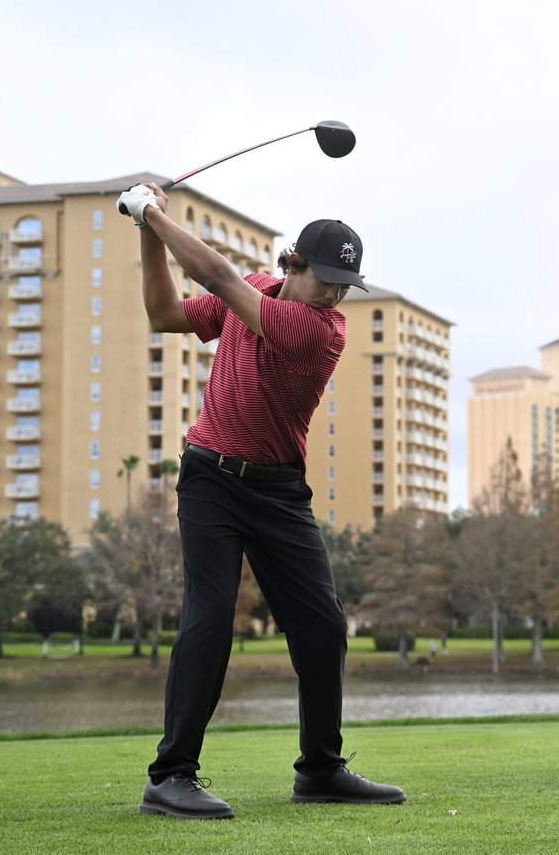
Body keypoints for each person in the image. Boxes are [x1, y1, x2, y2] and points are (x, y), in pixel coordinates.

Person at [117, 182, 405, 819]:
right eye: (326, 279)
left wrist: (152, 212)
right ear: (293, 264)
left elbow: (217, 276)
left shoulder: (321, 330)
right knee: (210, 614)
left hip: (279, 492)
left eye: (345, 285)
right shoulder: (255, 290)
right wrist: (147, 233)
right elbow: (164, 314)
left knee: (324, 625)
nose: (334, 295)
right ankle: (170, 776)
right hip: (211, 479)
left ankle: (321, 770)